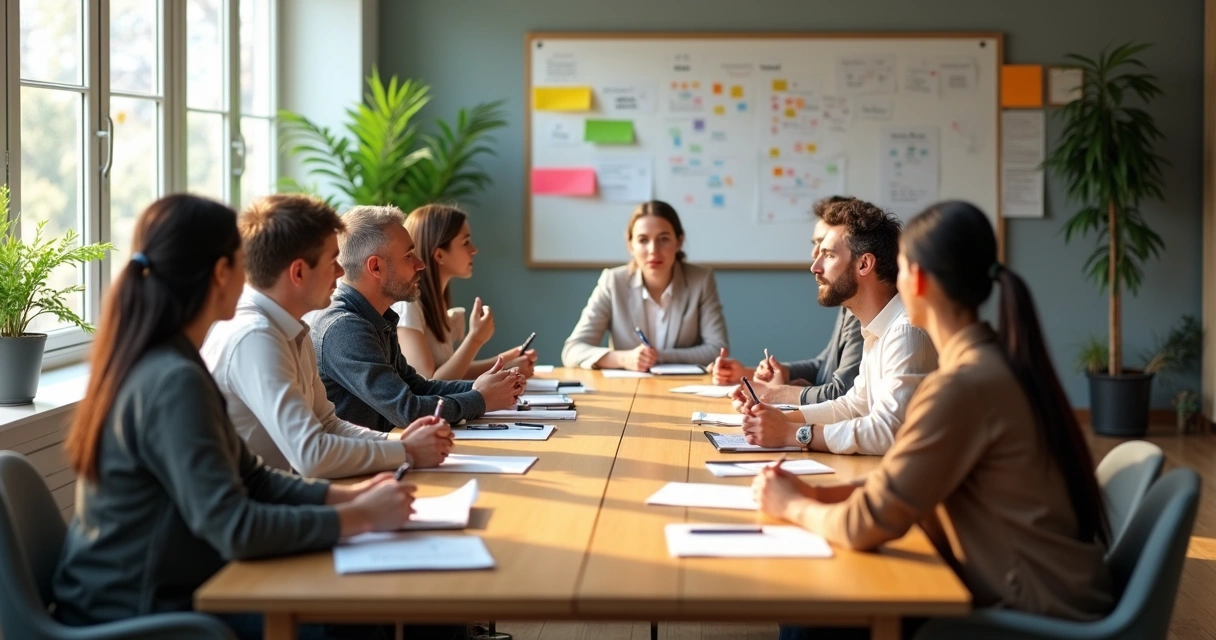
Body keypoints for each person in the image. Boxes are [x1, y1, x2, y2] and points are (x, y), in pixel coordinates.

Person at [52, 194, 462, 640]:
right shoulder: (174, 378)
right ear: (222, 273)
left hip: (172, 583)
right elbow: (235, 527)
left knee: (363, 608)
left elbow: (257, 479)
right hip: (140, 609)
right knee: (351, 619)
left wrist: (354, 498)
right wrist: (359, 517)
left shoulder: (176, 360)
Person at [753, 201, 1113, 639]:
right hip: (1041, 590)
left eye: (900, 270)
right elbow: (907, 483)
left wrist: (791, 505)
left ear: (917, 280)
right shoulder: (990, 362)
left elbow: (863, 524)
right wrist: (814, 492)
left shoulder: (960, 386)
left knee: (813, 608)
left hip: (1030, 611)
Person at [202, 195, 453, 479]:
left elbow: (328, 424)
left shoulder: (292, 326)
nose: (341, 270)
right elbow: (312, 456)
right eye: (332, 260)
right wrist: (405, 451)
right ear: (298, 272)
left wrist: (399, 444)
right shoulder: (255, 336)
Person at [739, 199, 937, 456]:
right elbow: (854, 406)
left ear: (864, 264)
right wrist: (784, 418)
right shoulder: (877, 328)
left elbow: (890, 431)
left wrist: (792, 433)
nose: (815, 267)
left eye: (829, 255)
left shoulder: (905, 332)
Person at [309, 205, 522, 432]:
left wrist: (488, 388)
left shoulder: (376, 318)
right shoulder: (345, 328)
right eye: (409, 255)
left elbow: (416, 386)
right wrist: (480, 398)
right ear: (376, 267)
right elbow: (407, 411)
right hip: (364, 464)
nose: (420, 264)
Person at [711, 196, 863, 405]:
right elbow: (825, 365)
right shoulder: (849, 303)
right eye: (816, 244)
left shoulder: (864, 308)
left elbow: (843, 392)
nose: (814, 254)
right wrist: (763, 372)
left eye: (825, 246)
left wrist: (778, 392)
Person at [561, 200, 728, 371]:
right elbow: (572, 350)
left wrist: (657, 356)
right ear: (630, 244)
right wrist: (625, 359)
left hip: (683, 387)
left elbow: (717, 350)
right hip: (627, 389)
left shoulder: (700, 280)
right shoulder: (613, 282)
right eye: (643, 240)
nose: (653, 249)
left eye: (664, 239)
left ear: (679, 242)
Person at [395, 204, 537, 380]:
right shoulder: (409, 305)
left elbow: (453, 373)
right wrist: (475, 339)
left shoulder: (436, 302)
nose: (474, 250)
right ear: (439, 255)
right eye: (465, 242)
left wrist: (506, 362)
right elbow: (429, 383)